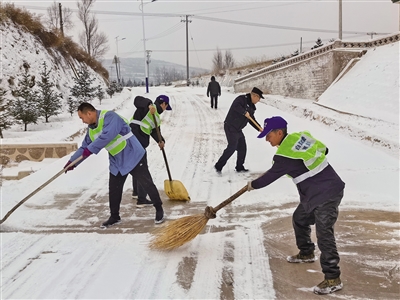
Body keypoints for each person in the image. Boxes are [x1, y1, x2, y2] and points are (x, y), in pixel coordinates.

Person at [247, 116, 345, 295]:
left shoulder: (284, 155)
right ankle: (306, 252)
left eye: (269, 136)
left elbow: (268, 178)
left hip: (327, 193)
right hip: (315, 194)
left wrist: (252, 185)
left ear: (279, 132)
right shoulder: (301, 137)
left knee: (324, 233)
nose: (267, 140)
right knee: (300, 218)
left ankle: (333, 278)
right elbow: (325, 149)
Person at [64, 102, 165, 227]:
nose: (82, 121)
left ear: (89, 113)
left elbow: (108, 136)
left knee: (146, 183)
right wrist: (72, 162)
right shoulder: (91, 130)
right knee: (114, 189)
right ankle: (114, 216)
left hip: (133, 154)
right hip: (116, 160)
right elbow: (84, 147)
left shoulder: (110, 117)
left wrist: (90, 150)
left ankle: (159, 209)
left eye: (82, 117)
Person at [129, 94, 171, 208]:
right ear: (163, 104)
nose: (165, 109)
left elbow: (154, 131)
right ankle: (142, 199)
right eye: (166, 107)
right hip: (135, 139)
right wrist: (148, 105)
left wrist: (160, 141)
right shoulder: (147, 104)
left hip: (135, 141)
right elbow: (136, 99)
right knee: (142, 169)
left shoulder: (156, 117)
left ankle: (136, 192)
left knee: (136, 166)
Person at [214, 87, 263, 173]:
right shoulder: (241, 99)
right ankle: (218, 165)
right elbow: (236, 106)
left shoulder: (252, 107)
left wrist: (259, 128)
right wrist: (244, 112)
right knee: (232, 147)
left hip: (238, 129)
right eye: (259, 98)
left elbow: (251, 119)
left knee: (242, 147)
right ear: (254, 96)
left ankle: (239, 166)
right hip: (230, 126)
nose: (258, 101)